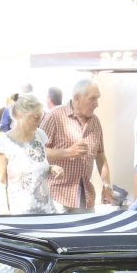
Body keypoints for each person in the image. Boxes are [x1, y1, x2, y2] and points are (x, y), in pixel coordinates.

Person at [43, 79, 112, 211]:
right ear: (76, 98)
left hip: (85, 198)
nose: (96, 104)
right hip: (57, 197)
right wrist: (67, 152)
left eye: (97, 99)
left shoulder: (95, 122)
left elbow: (100, 156)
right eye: (92, 99)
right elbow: (38, 152)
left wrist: (107, 186)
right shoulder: (54, 116)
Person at [0, 92, 62, 215]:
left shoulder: (40, 135)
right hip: (21, 213)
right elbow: (0, 181)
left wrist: (51, 168)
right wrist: (4, 211)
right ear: (21, 115)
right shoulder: (3, 143)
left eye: (41, 117)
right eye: (35, 117)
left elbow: (35, 165)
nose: (39, 121)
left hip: (48, 211)